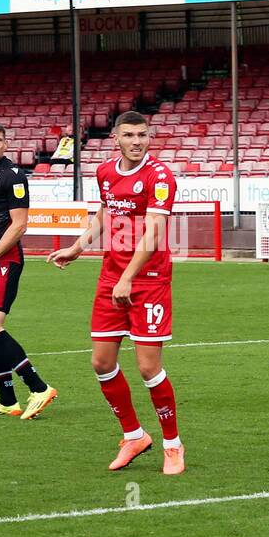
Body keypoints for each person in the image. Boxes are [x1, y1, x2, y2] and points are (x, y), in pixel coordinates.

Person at [47, 111, 184, 475]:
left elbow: (154, 233)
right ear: (116, 138)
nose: (137, 141)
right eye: (129, 135)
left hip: (149, 280)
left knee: (148, 367)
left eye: (142, 135)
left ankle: (173, 445)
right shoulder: (105, 172)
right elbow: (105, 213)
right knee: (102, 362)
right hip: (112, 277)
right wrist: (78, 247)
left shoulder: (160, 177)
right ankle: (134, 435)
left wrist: (129, 278)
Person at [0, 122, 57, 419]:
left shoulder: (14, 175)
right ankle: (8, 400)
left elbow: (20, 224)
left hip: (6, 260)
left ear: (6, 144)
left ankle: (39, 386)